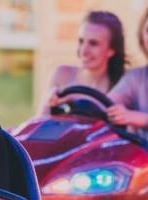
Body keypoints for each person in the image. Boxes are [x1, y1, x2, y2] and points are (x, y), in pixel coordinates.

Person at [41, 10, 126, 113]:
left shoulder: (123, 85)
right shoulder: (61, 75)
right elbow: (40, 120)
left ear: (111, 50)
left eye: (93, 43)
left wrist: (78, 102)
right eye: (81, 41)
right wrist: (50, 102)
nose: (84, 50)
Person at [106, 8, 148, 141]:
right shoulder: (136, 77)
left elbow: (136, 118)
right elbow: (104, 104)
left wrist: (140, 119)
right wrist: (70, 101)